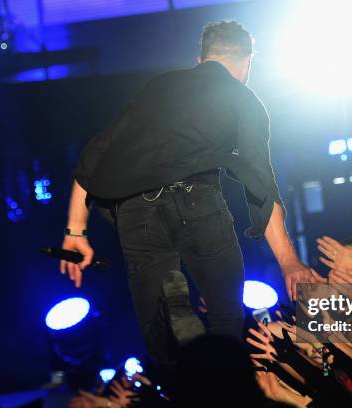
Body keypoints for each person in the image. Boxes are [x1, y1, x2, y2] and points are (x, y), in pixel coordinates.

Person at [59, 21, 321, 366]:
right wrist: (288, 261)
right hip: (196, 200)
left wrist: (75, 232)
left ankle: (177, 355)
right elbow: (260, 184)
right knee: (226, 315)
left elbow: (93, 158)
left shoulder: (159, 87)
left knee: (159, 331)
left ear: (200, 59)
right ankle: (224, 381)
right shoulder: (243, 98)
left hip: (137, 213)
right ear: (247, 64)